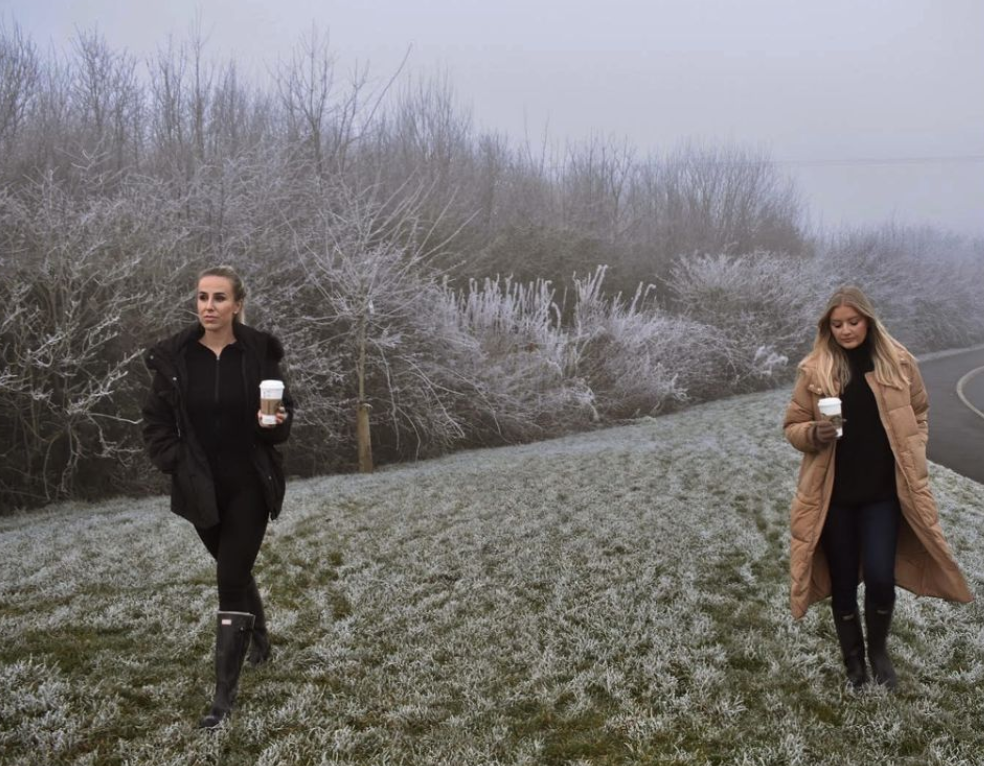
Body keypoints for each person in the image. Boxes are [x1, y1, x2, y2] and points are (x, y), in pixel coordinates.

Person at [783, 285, 972, 690]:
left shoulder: (899, 363)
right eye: (837, 324)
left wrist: (916, 447)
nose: (846, 331)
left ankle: (879, 651)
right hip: (834, 499)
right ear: (827, 327)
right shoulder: (816, 370)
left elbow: (919, 411)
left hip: (883, 496)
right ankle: (854, 661)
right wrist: (812, 433)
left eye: (853, 322)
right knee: (844, 582)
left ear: (868, 319)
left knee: (882, 577)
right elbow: (792, 426)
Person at [142, 266, 293, 727]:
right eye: (203, 298)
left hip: (249, 478)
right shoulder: (176, 357)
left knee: (229, 575)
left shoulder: (258, 352)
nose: (209, 306)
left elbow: (284, 419)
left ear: (238, 304)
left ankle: (222, 699)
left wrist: (276, 422)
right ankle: (261, 638)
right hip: (200, 484)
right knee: (233, 564)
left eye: (219, 298)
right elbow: (155, 422)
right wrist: (174, 461)